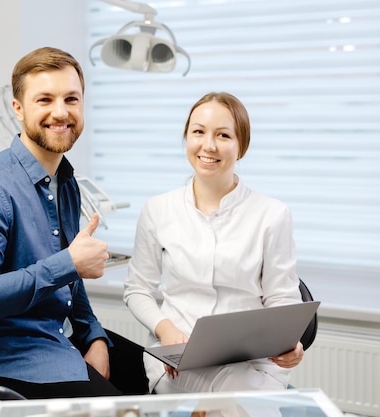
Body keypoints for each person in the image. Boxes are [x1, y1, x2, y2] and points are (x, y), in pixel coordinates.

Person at [0, 47, 122, 399]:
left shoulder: (65, 183)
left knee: (152, 385)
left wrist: (94, 335)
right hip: (2, 358)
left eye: (71, 98)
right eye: (45, 99)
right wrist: (67, 263)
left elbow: (70, 276)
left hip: (50, 340)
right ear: (18, 108)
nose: (61, 112)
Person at [123, 92, 305, 395]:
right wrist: (165, 330)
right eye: (198, 132)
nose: (208, 145)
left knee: (237, 396)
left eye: (223, 135)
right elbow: (137, 289)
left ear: (241, 146)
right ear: (186, 138)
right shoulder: (158, 209)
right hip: (179, 359)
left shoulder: (272, 215)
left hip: (252, 362)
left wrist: (291, 344)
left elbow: (282, 298)